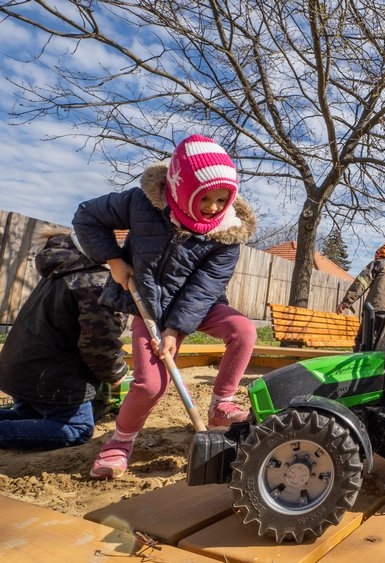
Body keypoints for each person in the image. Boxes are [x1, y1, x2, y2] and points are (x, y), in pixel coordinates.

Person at [73, 134, 258, 479]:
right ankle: (119, 443)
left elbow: (205, 287)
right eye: (206, 198)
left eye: (223, 199)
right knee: (149, 385)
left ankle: (221, 405)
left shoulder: (227, 234)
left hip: (197, 306)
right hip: (149, 305)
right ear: (183, 187)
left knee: (244, 330)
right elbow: (87, 217)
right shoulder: (142, 203)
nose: (215, 208)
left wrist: (176, 330)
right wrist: (113, 259)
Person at [0, 226, 128, 450]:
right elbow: (99, 345)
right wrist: (115, 374)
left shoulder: (67, 266)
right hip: (51, 377)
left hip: (22, 367)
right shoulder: (97, 282)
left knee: (28, 414)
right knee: (77, 429)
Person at [337, 242, 385, 349]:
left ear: (381, 253)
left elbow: (360, 284)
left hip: (374, 311)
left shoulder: (378, 264)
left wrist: (345, 302)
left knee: (363, 342)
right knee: (384, 345)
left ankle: (360, 365)